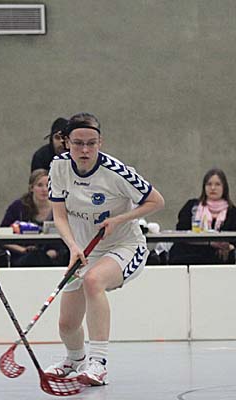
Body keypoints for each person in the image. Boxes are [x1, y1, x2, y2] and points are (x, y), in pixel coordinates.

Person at [46, 113, 165, 386]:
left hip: (125, 245)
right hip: (85, 251)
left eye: (91, 143)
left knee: (93, 280)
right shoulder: (58, 167)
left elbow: (156, 201)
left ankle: (98, 364)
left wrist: (120, 219)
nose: (85, 150)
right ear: (67, 142)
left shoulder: (116, 172)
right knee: (67, 324)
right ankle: (74, 359)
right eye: (78, 143)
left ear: (100, 142)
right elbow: (59, 215)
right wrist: (73, 247)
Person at [0, 169, 68, 266]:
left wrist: (55, 252)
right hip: (22, 257)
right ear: (31, 188)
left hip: (53, 259)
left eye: (48, 185)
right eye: (40, 185)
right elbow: (1, 236)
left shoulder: (60, 207)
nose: (44, 189)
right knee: (33, 258)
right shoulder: (18, 207)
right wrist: (23, 250)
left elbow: (67, 237)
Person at [168, 168, 236, 265]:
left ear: (224, 187)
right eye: (209, 184)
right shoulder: (191, 206)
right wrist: (209, 243)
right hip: (191, 252)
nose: (213, 188)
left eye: (217, 184)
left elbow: (232, 241)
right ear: (204, 187)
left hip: (218, 256)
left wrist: (226, 246)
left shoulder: (233, 212)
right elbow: (181, 233)